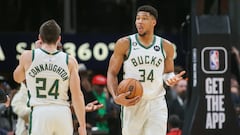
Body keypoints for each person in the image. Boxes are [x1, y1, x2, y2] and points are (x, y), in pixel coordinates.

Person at [107, 5, 185, 135]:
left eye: (144, 18)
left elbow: (168, 73)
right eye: (137, 18)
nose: (140, 22)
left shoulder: (166, 46)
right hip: (132, 102)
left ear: (153, 22)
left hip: (156, 103)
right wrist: (115, 97)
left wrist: (171, 78)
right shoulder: (125, 43)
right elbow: (112, 73)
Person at [13, 19, 87, 135]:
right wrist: (82, 125)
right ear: (59, 39)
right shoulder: (70, 60)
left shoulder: (28, 56)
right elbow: (77, 95)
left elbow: (17, 78)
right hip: (62, 112)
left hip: (40, 111)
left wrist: (35, 52)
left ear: (40, 38)